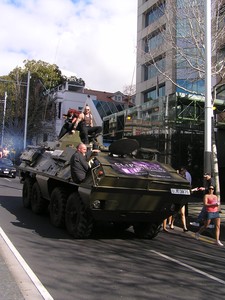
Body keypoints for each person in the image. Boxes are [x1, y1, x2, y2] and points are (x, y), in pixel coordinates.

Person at [167, 167, 191, 232]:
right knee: (175, 212)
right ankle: (171, 223)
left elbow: (188, 189)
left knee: (182, 213)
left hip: (183, 199)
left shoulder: (185, 181)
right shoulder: (177, 180)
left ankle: (184, 227)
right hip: (177, 198)